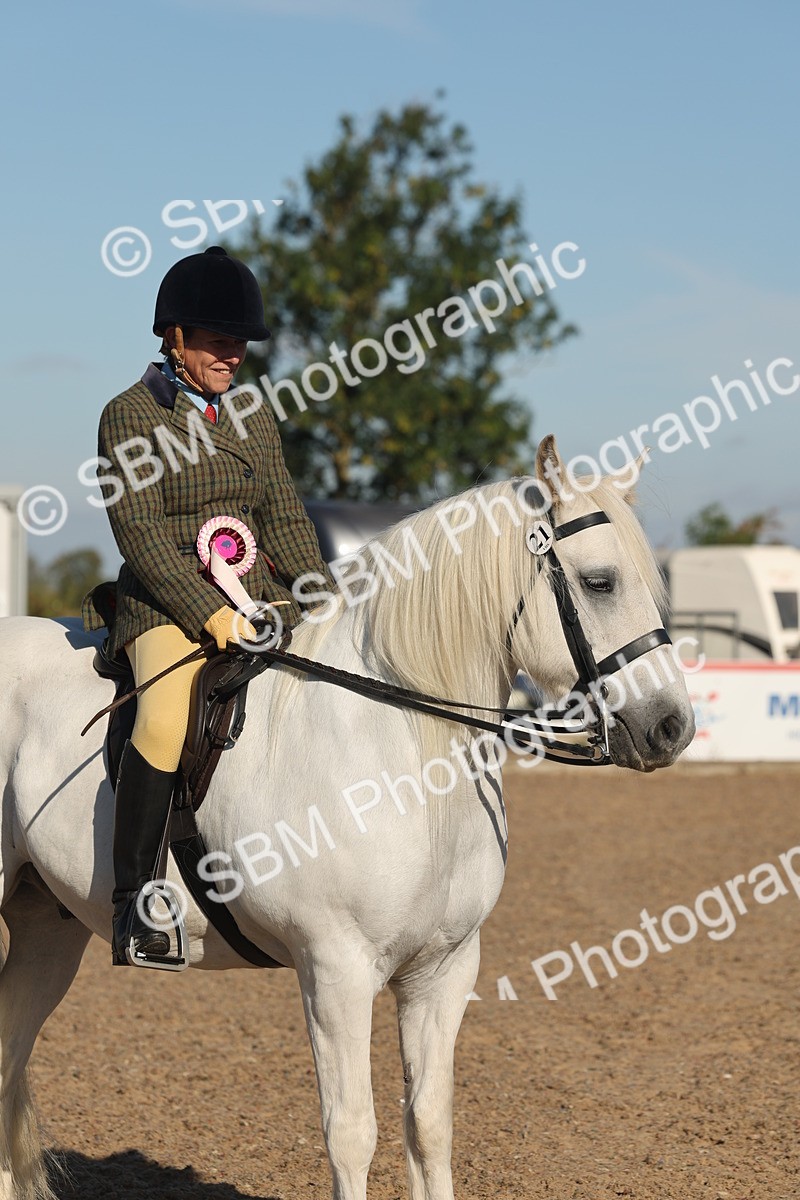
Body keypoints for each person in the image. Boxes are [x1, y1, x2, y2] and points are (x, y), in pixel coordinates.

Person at [82, 246, 335, 967]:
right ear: (176, 338)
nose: (233, 357)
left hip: (256, 597)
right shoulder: (128, 416)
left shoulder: (253, 415)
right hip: (165, 604)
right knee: (164, 715)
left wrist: (318, 594)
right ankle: (138, 906)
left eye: (240, 344)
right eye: (220, 342)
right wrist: (208, 612)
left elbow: (284, 516)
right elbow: (142, 533)